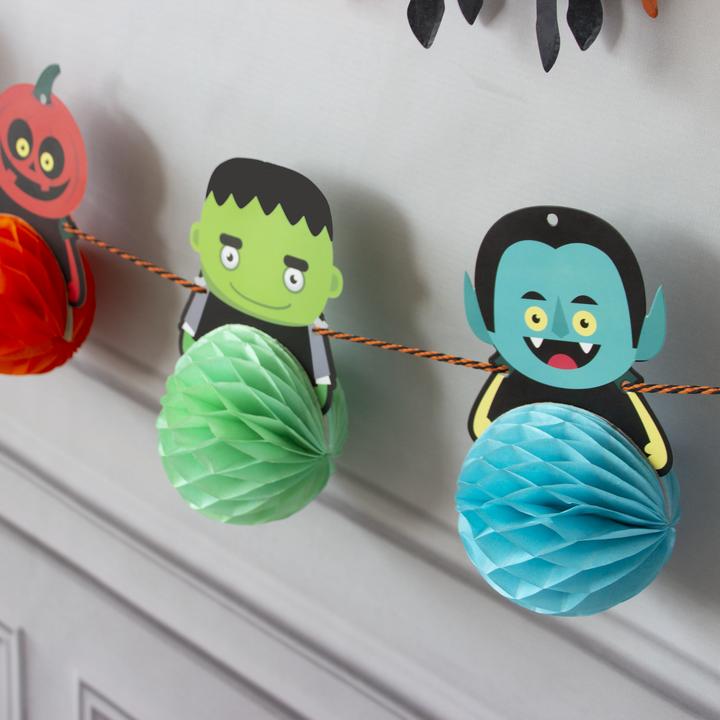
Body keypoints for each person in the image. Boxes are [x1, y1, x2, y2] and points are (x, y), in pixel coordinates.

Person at [464, 206, 672, 475]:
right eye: (536, 317)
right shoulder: (512, 375)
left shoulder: (618, 390)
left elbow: (654, 454)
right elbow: (484, 426)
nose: (560, 331)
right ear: (487, 318)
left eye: (585, 321)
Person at [180, 158, 343, 413]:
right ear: (199, 238)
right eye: (230, 256)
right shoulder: (206, 289)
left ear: (330, 282)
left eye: (293, 278)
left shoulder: (311, 329)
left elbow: (320, 389)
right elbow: (189, 342)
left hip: (278, 409)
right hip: (213, 393)